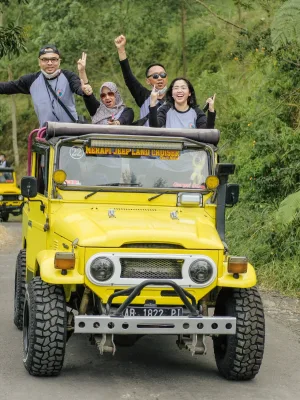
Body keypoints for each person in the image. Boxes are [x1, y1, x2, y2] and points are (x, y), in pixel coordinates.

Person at [0, 45, 84, 127]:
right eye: (45, 60)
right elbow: (7, 87)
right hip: (46, 134)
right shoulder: (30, 80)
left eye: (53, 59)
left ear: (59, 61)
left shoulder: (69, 76)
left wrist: (83, 89)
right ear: (39, 62)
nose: (50, 63)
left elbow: (79, 88)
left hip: (71, 133)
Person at [114, 35, 167, 126]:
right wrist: (121, 50)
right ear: (147, 81)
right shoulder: (144, 96)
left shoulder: (176, 96)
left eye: (162, 75)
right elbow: (129, 79)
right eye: (155, 76)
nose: (159, 78)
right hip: (147, 139)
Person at [77, 53, 134, 125]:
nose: (107, 97)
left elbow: (125, 118)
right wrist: (82, 71)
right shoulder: (97, 109)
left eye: (110, 94)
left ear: (116, 95)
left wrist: (116, 123)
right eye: (103, 95)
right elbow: (88, 93)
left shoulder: (126, 111)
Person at [149, 77, 216, 129]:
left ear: (189, 93)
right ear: (171, 93)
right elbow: (154, 127)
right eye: (176, 88)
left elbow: (207, 132)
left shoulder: (197, 112)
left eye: (183, 88)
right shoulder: (165, 110)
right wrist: (153, 102)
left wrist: (211, 111)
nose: (179, 91)